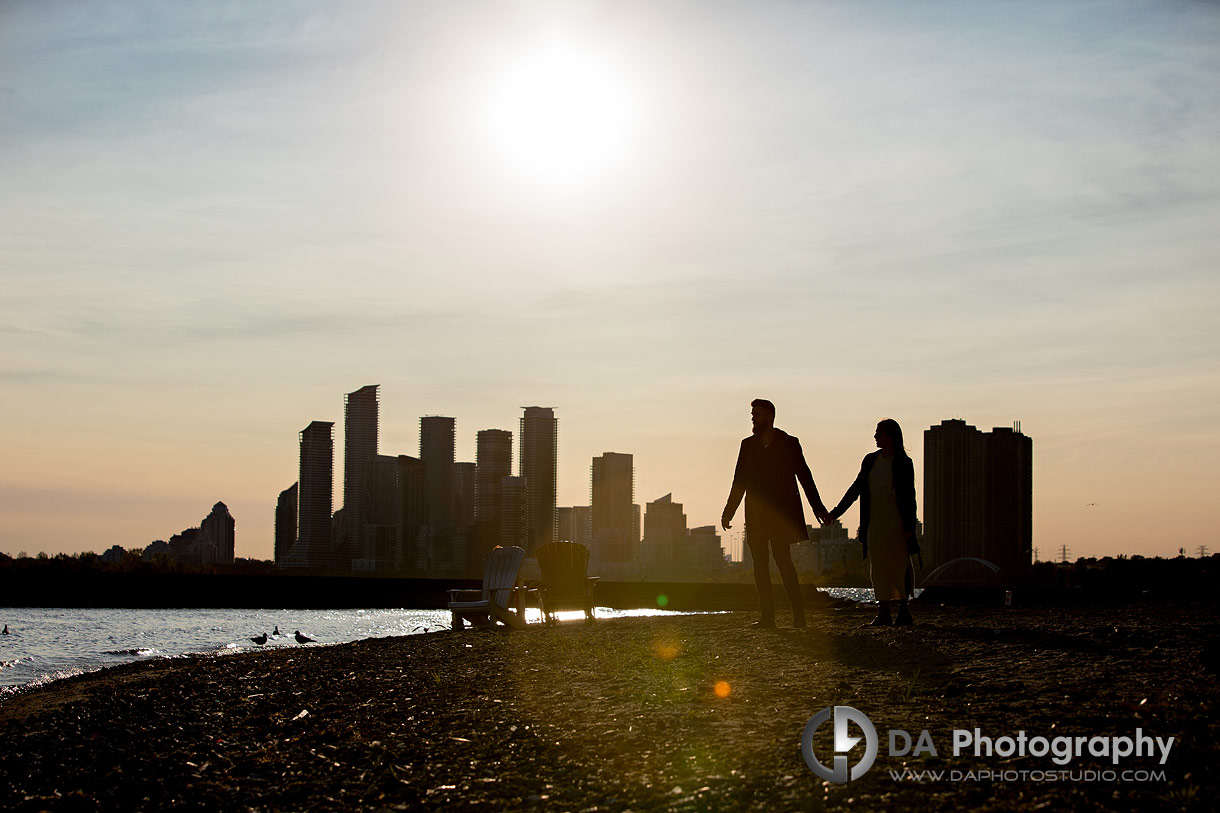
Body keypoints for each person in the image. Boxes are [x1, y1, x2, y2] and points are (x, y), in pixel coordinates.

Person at [723, 398, 830, 628]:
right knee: (759, 566)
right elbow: (738, 480)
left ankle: (798, 617)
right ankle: (767, 617)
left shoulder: (789, 443)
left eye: (757, 414)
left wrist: (818, 508)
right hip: (755, 515)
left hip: (780, 516)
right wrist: (728, 512)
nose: (753, 418)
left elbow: (804, 476)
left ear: (770, 416)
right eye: (752, 414)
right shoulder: (747, 445)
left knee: (784, 562)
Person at [829, 418, 920, 626]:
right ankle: (884, 610)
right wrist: (835, 513)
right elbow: (856, 488)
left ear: (890, 436)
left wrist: (909, 528)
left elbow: (909, 496)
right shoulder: (870, 460)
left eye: (879, 433)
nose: (875, 436)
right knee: (878, 565)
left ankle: (903, 610)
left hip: (895, 519)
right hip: (874, 519)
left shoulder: (903, 462)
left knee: (899, 563)